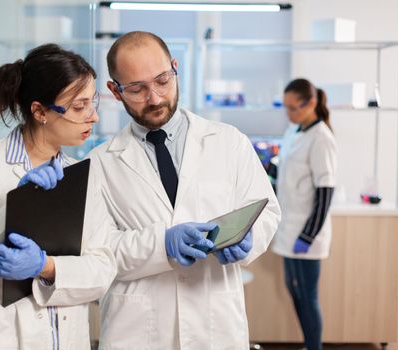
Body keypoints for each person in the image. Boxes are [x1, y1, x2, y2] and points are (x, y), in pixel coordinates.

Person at [87, 31, 281, 349]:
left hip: (214, 320)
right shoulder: (100, 163)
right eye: (137, 89)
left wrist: (249, 238)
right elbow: (98, 251)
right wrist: (161, 244)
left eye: (163, 81)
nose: (155, 98)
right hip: (138, 329)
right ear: (115, 91)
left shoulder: (229, 142)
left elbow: (266, 210)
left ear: (175, 68)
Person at [0, 43, 116, 349]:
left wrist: (46, 268)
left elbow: (102, 269)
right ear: (40, 111)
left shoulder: (82, 176)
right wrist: (14, 209)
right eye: (79, 107)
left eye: (93, 102)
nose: (93, 117)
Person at [271, 78, 337, 350]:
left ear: (310, 102)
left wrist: (308, 236)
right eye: (285, 108)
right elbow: (283, 168)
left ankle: (314, 346)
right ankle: (309, 345)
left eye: (293, 108)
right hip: (288, 228)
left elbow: (325, 192)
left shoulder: (321, 138)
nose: (289, 114)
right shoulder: (295, 130)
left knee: (307, 295)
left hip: (306, 235)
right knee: (294, 291)